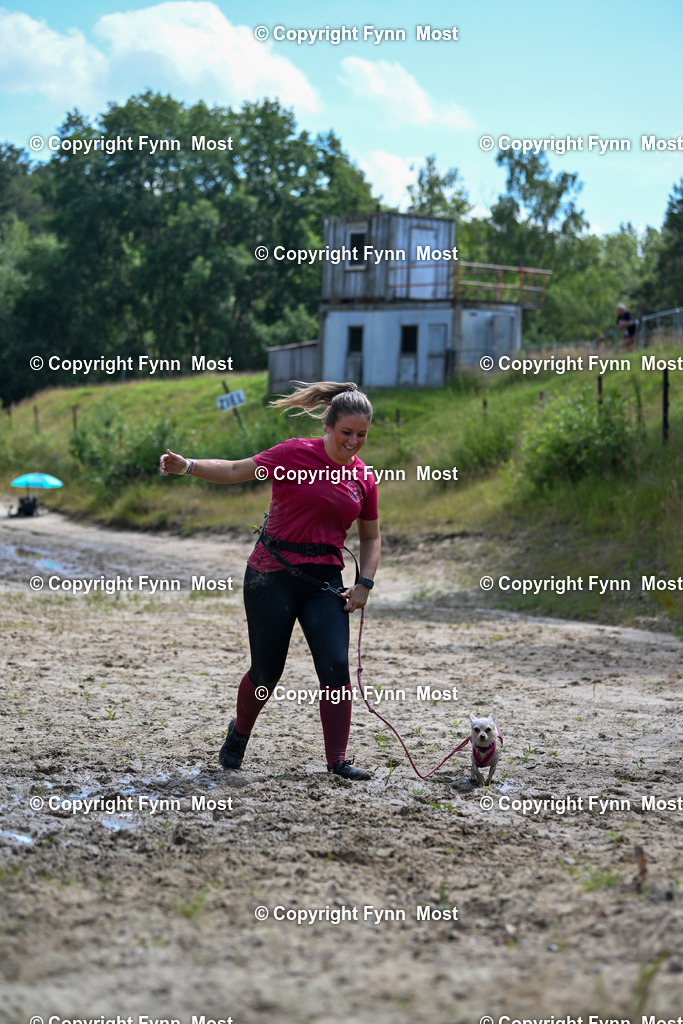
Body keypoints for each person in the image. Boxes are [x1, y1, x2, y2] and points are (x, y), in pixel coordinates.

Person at [159, 381, 381, 781]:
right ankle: (240, 732)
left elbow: (371, 536)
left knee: (335, 668)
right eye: (346, 432)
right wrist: (187, 465)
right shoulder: (293, 453)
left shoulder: (364, 477)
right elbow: (234, 469)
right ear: (328, 426)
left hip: (325, 582)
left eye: (361, 435)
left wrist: (364, 582)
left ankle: (337, 760)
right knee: (266, 673)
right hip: (271, 575)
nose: (353, 442)